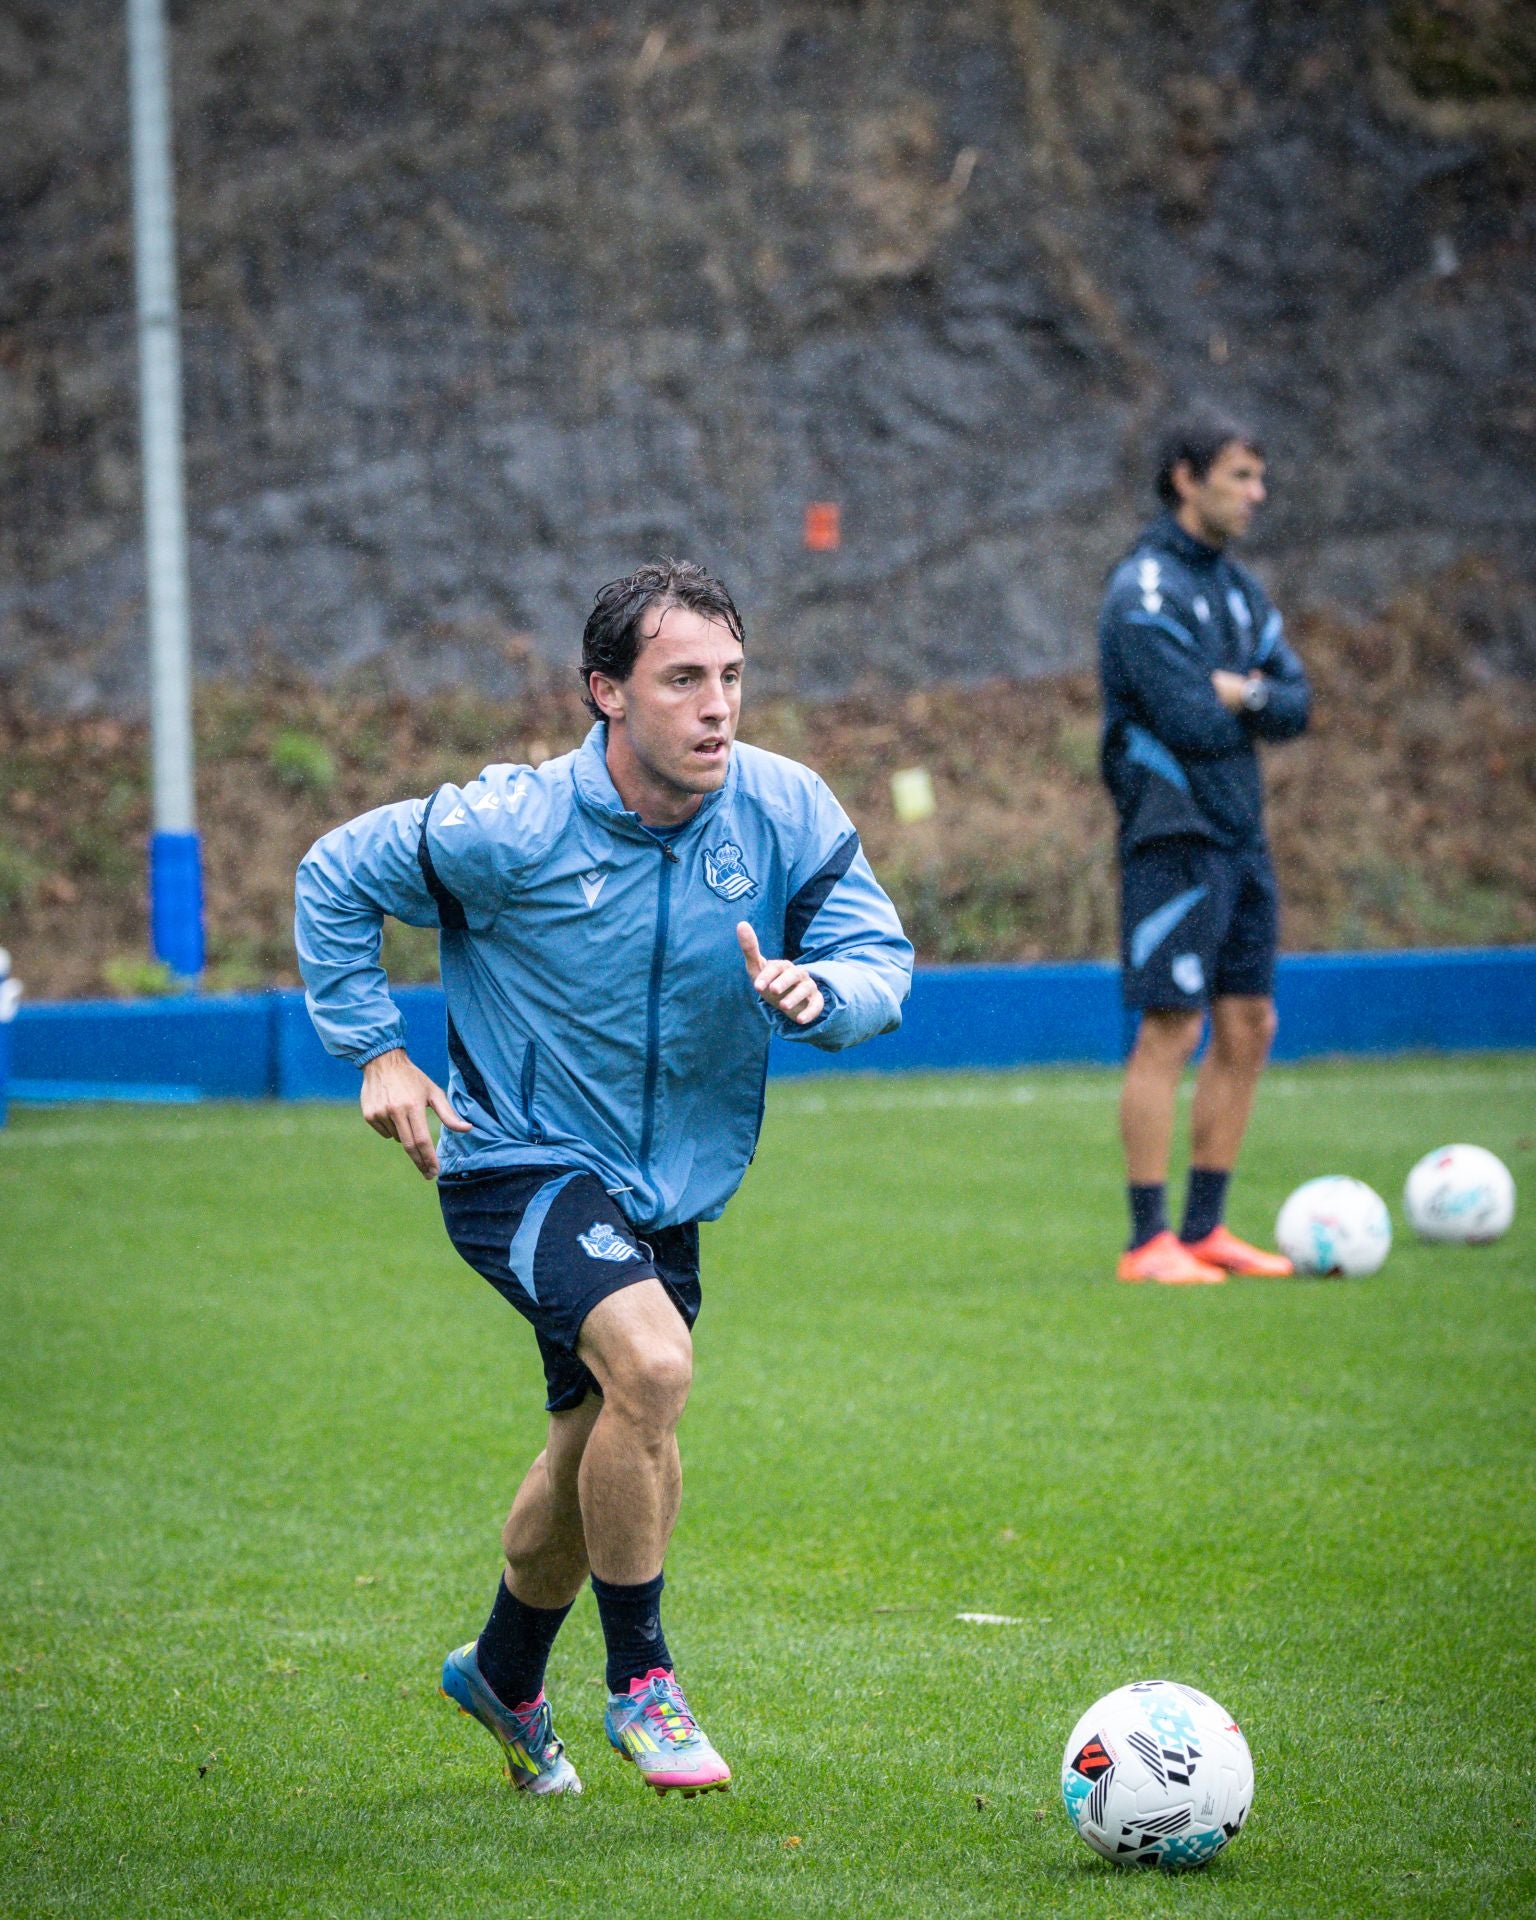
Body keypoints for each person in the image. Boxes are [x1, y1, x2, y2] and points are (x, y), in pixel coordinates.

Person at [294, 561, 912, 1798]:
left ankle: (507, 1672)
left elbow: (877, 956)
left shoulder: (783, 810)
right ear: (607, 694)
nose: (717, 706)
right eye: (683, 679)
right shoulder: (511, 825)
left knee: (597, 1444)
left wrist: (823, 993)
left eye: (731, 677)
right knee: (656, 1368)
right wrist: (377, 1052)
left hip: (667, 1191)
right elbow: (334, 877)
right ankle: (645, 1683)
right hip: (513, 1157)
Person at [1097, 412, 1311, 1285]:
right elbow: (1184, 716)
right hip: (1172, 832)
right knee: (1171, 1025)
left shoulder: (1241, 591)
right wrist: (1242, 696)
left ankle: (1206, 1227)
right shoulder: (1144, 589)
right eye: (1240, 476)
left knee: (1250, 1023)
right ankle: (1148, 1241)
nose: (1256, 494)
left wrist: (1241, 692)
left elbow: (1297, 705)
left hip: (1240, 833)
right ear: (1185, 478)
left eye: (1259, 477)